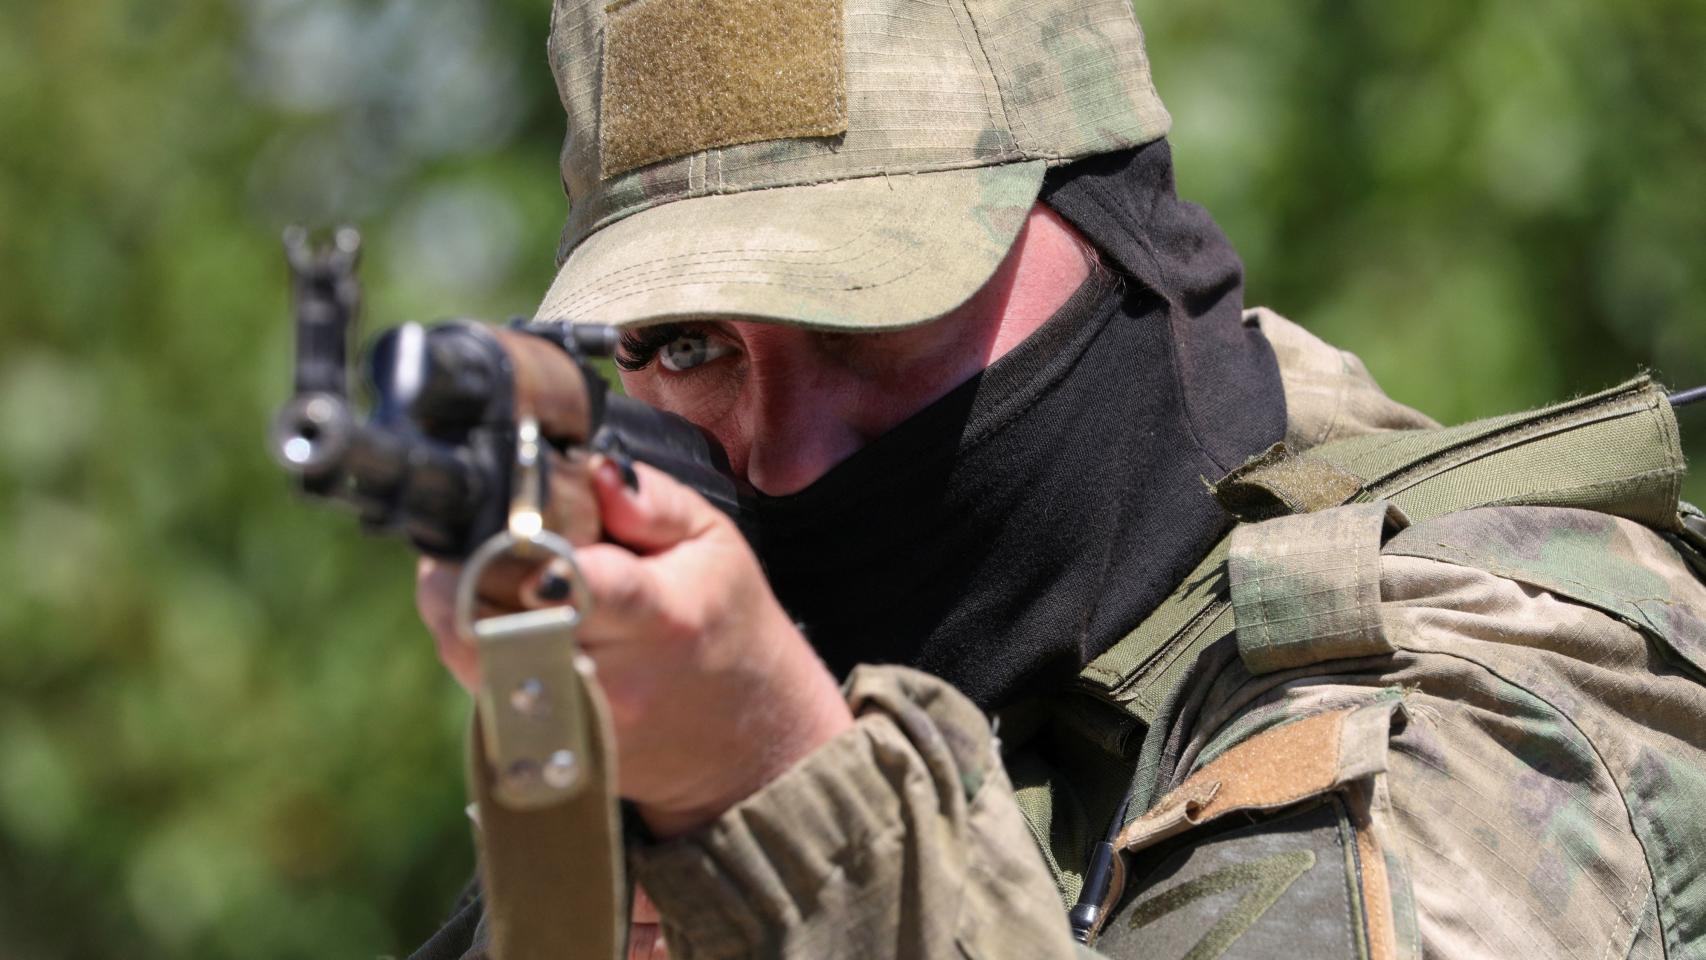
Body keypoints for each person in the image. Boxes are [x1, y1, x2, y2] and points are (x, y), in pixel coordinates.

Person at [411, 0, 1706, 956]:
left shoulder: (1491, 680)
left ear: (1120, 231)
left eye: (869, 311)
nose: (790, 456)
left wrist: (783, 806)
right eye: (687, 348)